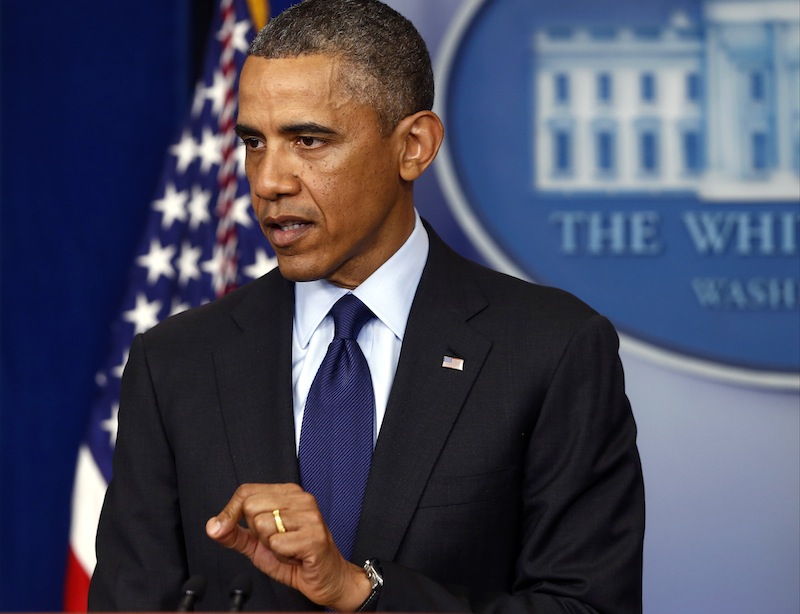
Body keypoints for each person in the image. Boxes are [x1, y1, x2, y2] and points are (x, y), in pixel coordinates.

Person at [89, 0, 645, 611]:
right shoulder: (173, 363)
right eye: (254, 142)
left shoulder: (552, 350)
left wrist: (363, 591)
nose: (269, 180)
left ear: (414, 146)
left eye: (308, 140)